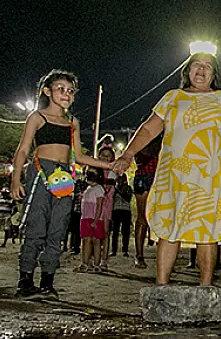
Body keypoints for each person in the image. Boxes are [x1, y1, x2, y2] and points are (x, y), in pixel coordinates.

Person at [112, 53, 221, 289]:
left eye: (207, 66)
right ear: (187, 70)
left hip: (209, 178)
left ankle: (206, 289)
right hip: (174, 176)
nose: (201, 70)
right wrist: (128, 154)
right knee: (169, 229)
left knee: (208, 232)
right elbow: (149, 129)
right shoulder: (172, 97)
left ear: (214, 74)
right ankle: (161, 287)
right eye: (196, 65)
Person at [10, 69, 111, 298]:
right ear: (47, 91)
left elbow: (80, 156)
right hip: (40, 174)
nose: (66, 94)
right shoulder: (37, 117)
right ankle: (25, 281)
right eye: (60, 89)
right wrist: (16, 179)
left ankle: (47, 282)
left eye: (70, 91)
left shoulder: (72, 123)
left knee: (58, 228)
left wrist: (109, 166)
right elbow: (23, 149)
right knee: (36, 227)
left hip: (64, 176)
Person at [131, 132, 162, 268]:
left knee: (161, 218)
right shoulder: (142, 138)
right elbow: (138, 159)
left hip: (158, 177)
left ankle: (161, 256)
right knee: (142, 217)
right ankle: (139, 255)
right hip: (145, 177)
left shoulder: (164, 138)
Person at [77, 169, 108, 273]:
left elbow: (99, 205)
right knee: (86, 240)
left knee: (96, 241)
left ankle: (96, 264)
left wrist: (95, 220)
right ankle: (84, 264)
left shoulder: (99, 188)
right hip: (85, 218)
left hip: (95, 219)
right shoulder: (88, 188)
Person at [109, 173, 133, 257]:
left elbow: (128, 197)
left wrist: (118, 190)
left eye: (121, 178)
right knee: (115, 232)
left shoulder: (128, 188)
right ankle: (114, 250)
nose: (120, 180)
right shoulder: (113, 189)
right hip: (116, 210)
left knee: (125, 232)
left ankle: (125, 250)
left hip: (126, 210)